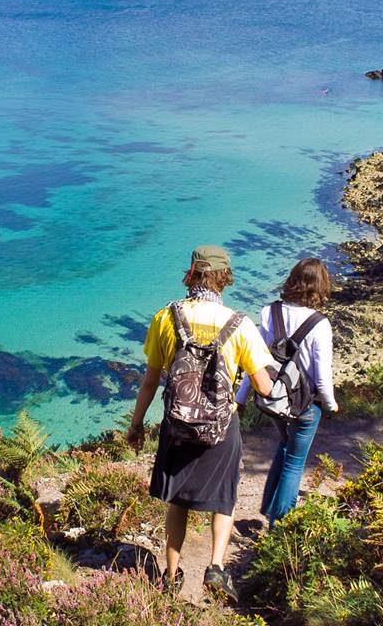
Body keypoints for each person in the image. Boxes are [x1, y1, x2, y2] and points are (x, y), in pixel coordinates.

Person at [126, 244, 273, 603]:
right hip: (222, 428)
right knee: (225, 499)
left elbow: (150, 382)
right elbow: (264, 386)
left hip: (177, 425)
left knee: (178, 501)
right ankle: (216, 568)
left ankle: (171, 574)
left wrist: (136, 425)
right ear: (224, 277)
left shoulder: (166, 317)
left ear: (191, 274)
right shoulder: (240, 324)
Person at [240, 257, 338, 528]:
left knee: (285, 444)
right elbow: (322, 375)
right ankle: (279, 526)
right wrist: (331, 404)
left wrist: (240, 398)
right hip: (305, 404)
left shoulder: (269, 313)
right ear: (320, 287)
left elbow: (255, 361)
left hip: (275, 399)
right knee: (295, 462)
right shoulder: (320, 324)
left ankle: (269, 506)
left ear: (293, 280)